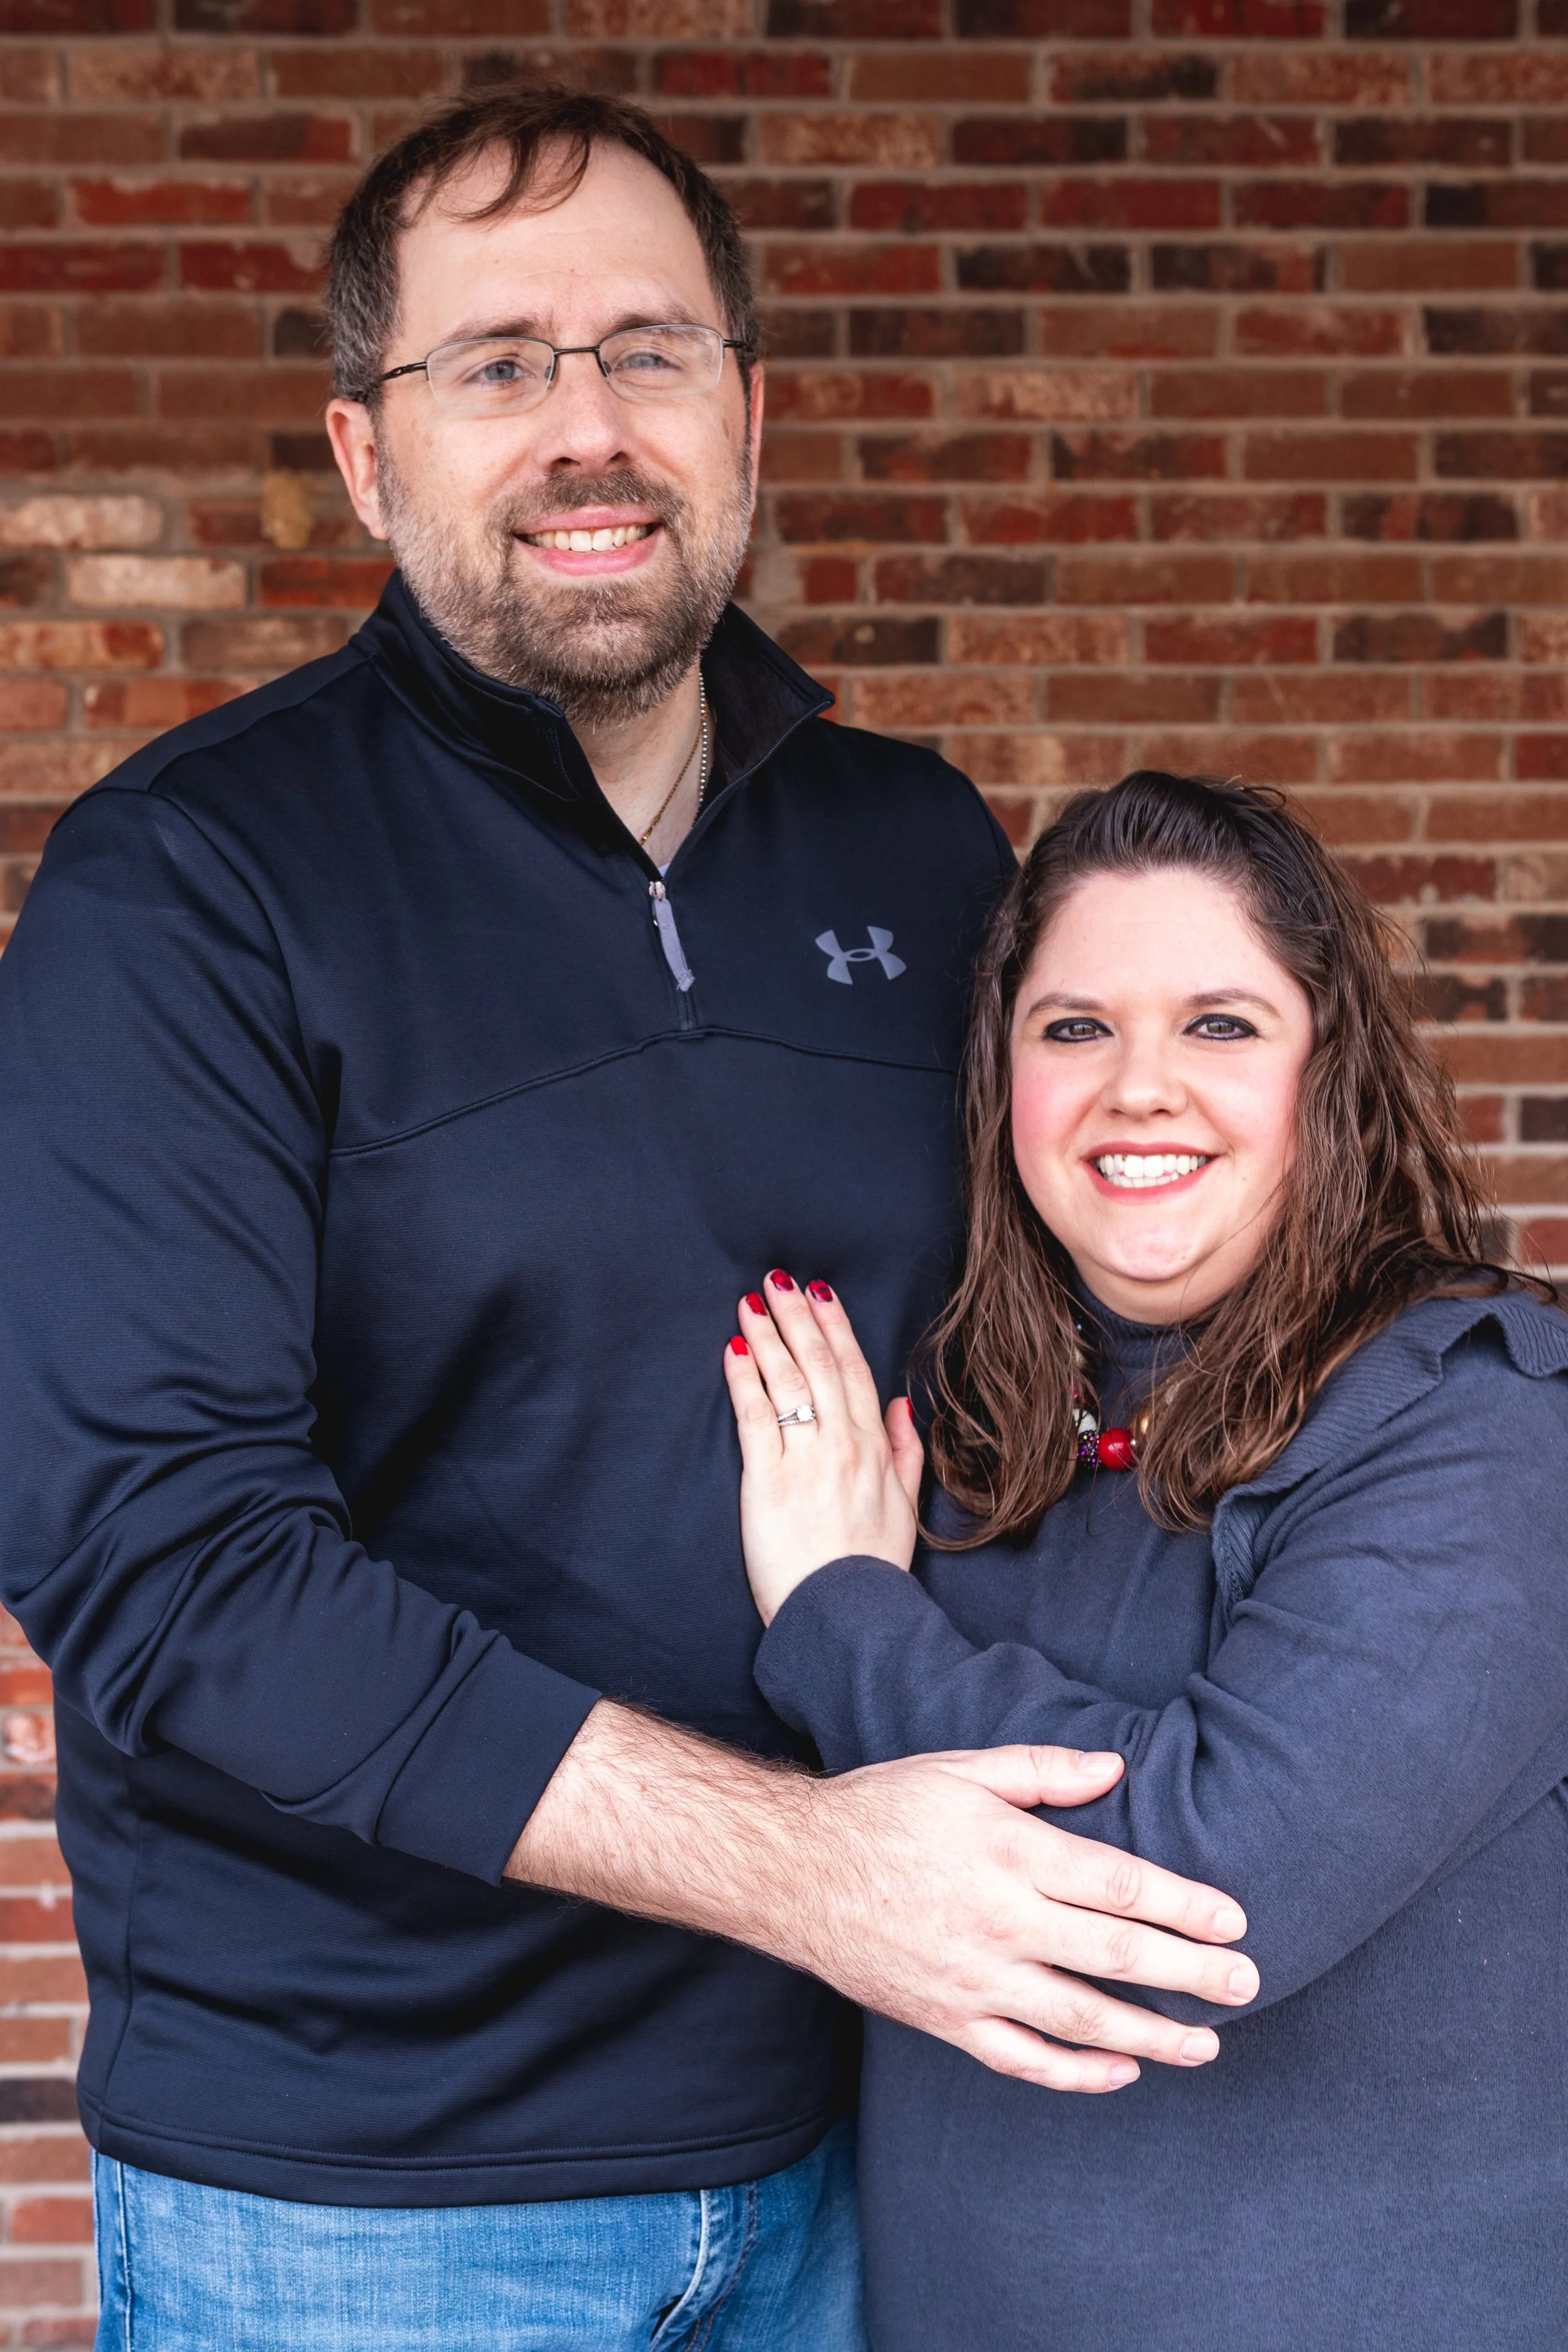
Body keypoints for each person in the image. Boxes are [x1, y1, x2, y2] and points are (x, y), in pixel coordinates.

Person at [0, 93, 1256, 2352]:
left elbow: (1073, 1375)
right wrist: (811, 1871)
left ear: (750, 418)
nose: (587, 428)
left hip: (873, 2134)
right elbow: (167, 1565)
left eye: (649, 353)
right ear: (367, 459)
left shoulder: (922, 856)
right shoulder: (189, 887)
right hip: (370, 2202)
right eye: (497, 366)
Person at [725, 771, 1568, 2352]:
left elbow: (1196, 1899)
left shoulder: (1477, 1419)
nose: (1137, 1089)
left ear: (1329, 1070)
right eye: (1072, 1029)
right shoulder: (975, 1425)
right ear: (1001, 1080)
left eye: (1218, 1024)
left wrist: (844, 1616)